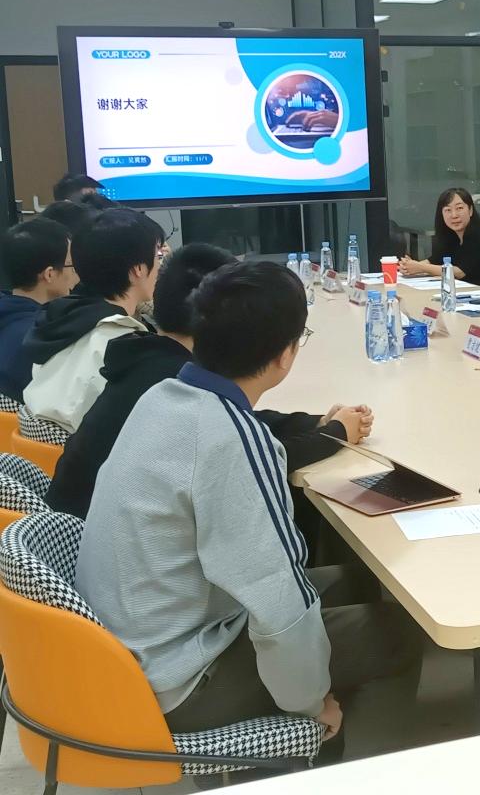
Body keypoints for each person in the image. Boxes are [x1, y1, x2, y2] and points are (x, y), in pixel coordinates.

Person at [76, 261, 423, 748]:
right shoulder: (231, 439)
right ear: (285, 355)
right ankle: (336, 755)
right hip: (174, 681)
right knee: (399, 635)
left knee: (354, 580)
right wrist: (310, 703)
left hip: (121, 647)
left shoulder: (162, 396)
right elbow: (278, 601)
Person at [46, 243, 374, 521]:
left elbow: (240, 428)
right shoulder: (170, 384)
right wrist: (335, 434)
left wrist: (314, 423)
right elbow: (248, 459)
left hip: (88, 538)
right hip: (102, 542)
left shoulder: (153, 363)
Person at [23, 208, 163, 434]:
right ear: (138, 269)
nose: (160, 267)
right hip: (88, 452)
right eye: (158, 257)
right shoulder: (123, 345)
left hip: (38, 449)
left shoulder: (58, 319)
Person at [0, 219, 75, 404]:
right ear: (49, 274)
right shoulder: (41, 336)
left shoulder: (9, 316)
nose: (76, 273)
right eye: (71, 265)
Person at [401, 187, 480, 290]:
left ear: (470, 210)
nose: (454, 215)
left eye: (459, 208)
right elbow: (435, 260)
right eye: (448, 210)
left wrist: (420, 267)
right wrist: (409, 266)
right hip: (464, 291)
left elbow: (459, 272)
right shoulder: (450, 234)